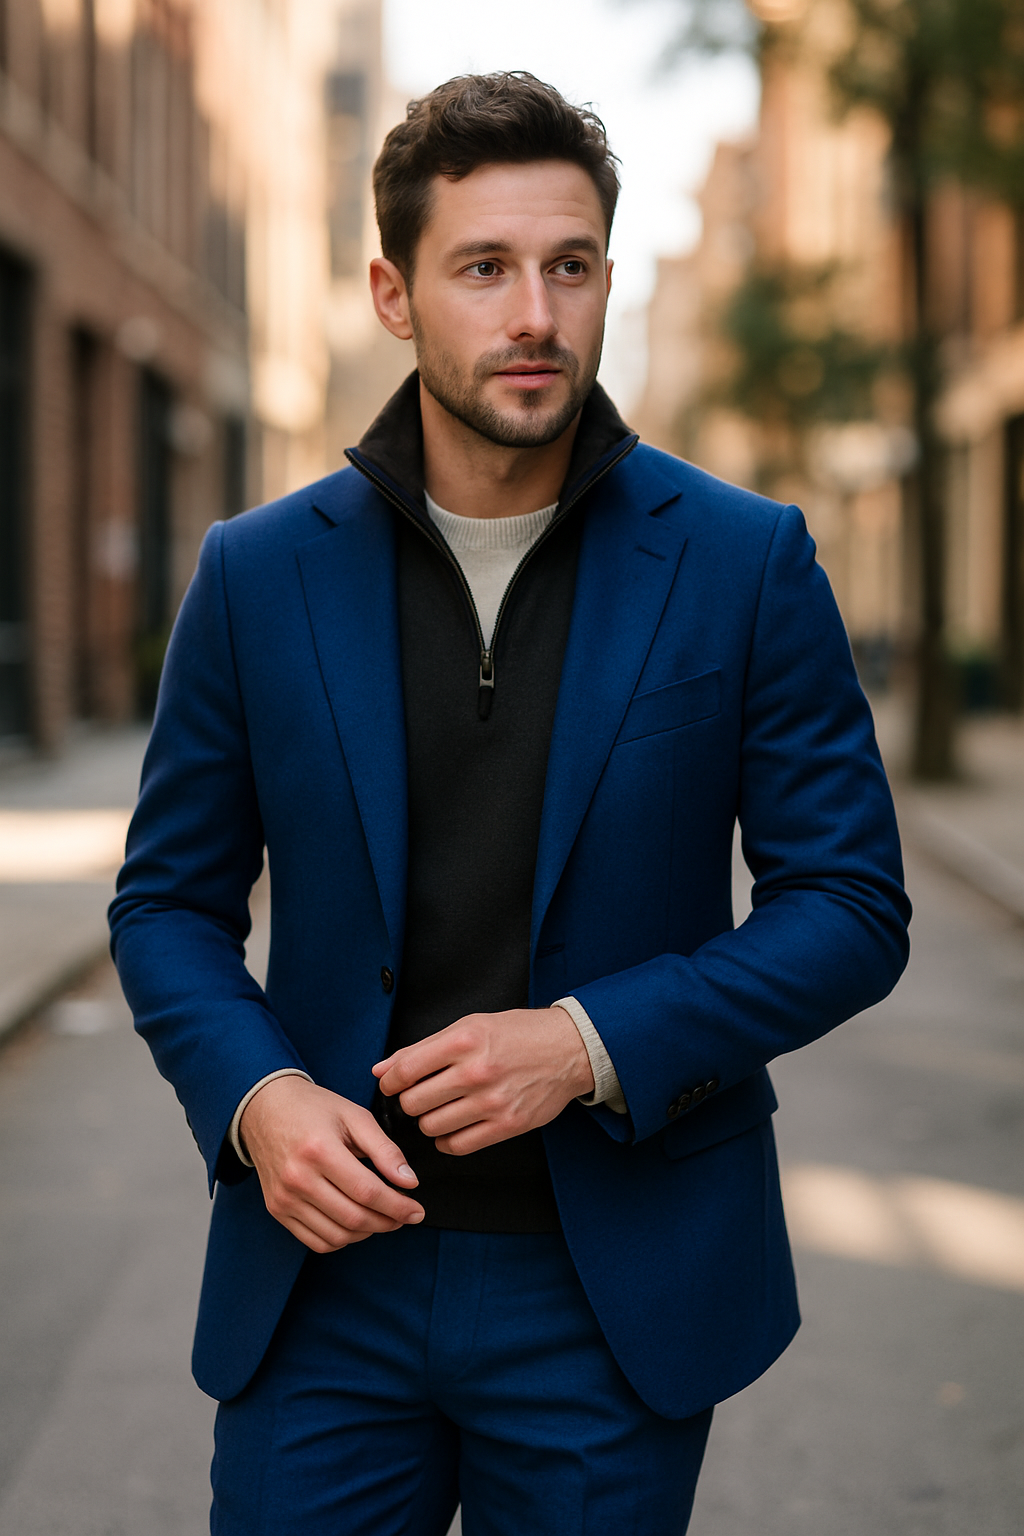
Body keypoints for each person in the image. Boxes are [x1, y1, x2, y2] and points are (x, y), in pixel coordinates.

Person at [110, 70, 911, 1536]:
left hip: (613, 1294)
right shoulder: (256, 573)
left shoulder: (746, 563)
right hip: (321, 1285)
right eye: (483, 267)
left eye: (570, 265)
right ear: (394, 292)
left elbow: (851, 907)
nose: (534, 312)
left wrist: (592, 1042)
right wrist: (260, 1099)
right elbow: (166, 902)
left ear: (605, 277)